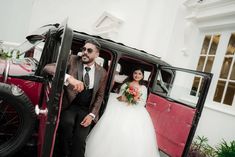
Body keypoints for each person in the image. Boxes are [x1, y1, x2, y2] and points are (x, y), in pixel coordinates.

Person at [43, 39, 107, 157]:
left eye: (89, 50)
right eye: (83, 49)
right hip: (69, 106)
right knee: (66, 127)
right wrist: (69, 78)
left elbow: (100, 95)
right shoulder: (72, 59)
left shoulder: (102, 72)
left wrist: (92, 115)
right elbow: (48, 67)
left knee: (80, 140)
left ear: (97, 54)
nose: (84, 52)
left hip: (86, 110)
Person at [85, 67, 160, 157]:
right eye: (135, 73)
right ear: (132, 74)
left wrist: (133, 99)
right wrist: (123, 98)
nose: (137, 75)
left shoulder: (143, 87)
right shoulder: (126, 84)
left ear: (143, 76)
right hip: (120, 107)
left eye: (140, 74)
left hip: (136, 111)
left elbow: (143, 102)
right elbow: (119, 96)